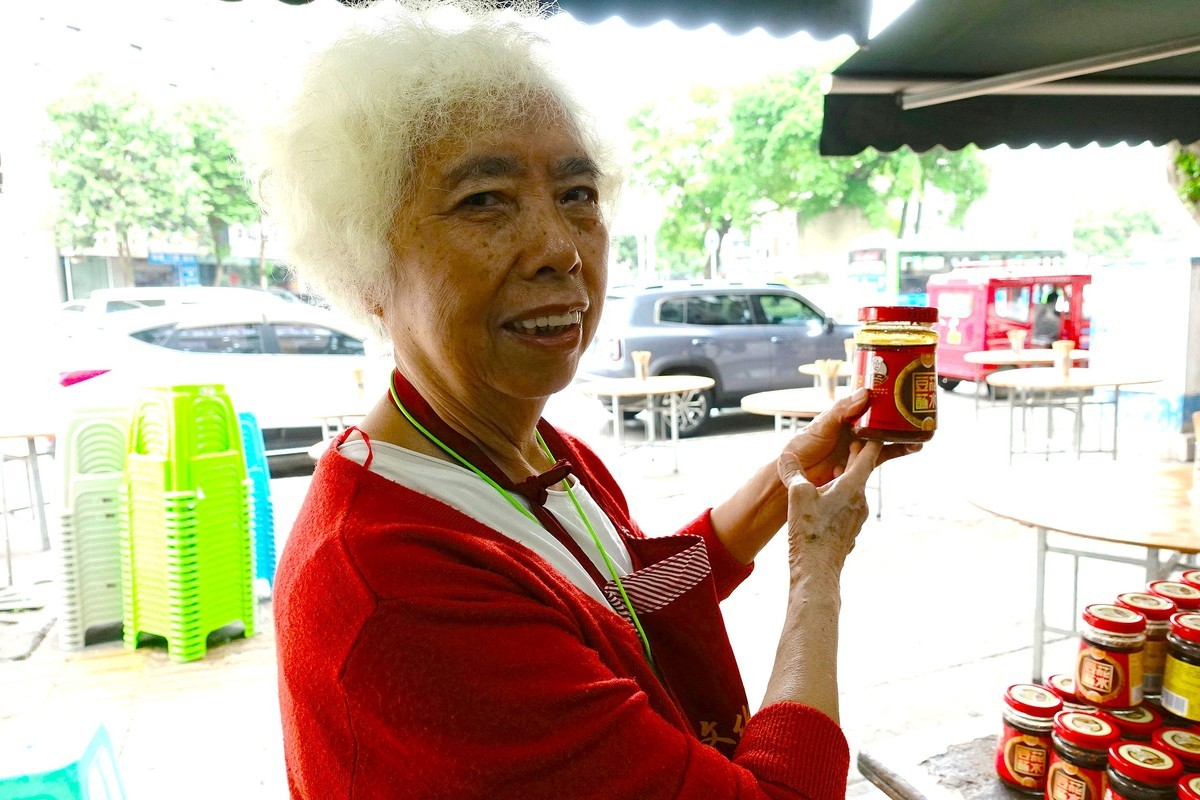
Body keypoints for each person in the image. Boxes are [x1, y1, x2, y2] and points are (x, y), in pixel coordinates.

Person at [256, 3, 918, 797]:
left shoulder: (540, 453)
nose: (560, 249)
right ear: (364, 264)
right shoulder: (394, 578)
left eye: (577, 193)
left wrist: (786, 483)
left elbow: (627, 603)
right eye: (485, 201)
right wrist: (818, 573)